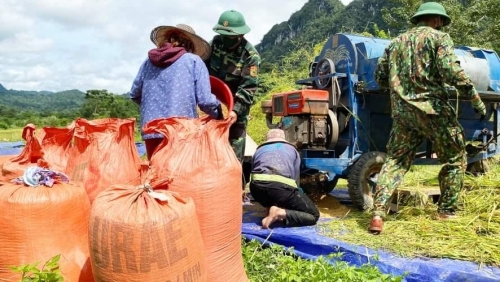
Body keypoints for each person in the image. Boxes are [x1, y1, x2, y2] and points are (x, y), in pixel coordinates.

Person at [370, 2, 487, 234]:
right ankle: (446, 211)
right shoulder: (439, 38)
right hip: (434, 111)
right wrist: (475, 99)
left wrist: (401, 88)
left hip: (403, 114)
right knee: (455, 157)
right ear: (437, 20)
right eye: (441, 21)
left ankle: (377, 214)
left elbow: (380, 77)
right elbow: (450, 71)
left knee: (395, 162)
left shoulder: (394, 43)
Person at [129, 24, 227, 160]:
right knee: (179, 176)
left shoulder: (148, 62)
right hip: (182, 130)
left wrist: (154, 107)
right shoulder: (193, 61)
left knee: (156, 175)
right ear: (190, 45)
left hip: (151, 130)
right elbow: (205, 101)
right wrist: (220, 114)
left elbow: (134, 93)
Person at [205, 10, 261, 187]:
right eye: (223, 35)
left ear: (241, 34)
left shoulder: (250, 56)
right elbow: (201, 70)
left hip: (236, 110)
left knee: (232, 153)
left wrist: (236, 111)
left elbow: (248, 87)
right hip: (211, 107)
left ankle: (234, 190)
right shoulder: (214, 44)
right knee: (208, 151)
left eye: (231, 36)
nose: (226, 39)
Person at [249, 129, 320, 229]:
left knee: (272, 191)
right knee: (313, 216)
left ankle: (270, 208)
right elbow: (295, 181)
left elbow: (253, 172)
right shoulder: (292, 150)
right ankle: (279, 212)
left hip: (256, 190)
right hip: (280, 189)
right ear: (283, 139)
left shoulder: (259, 150)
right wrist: (299, 196)